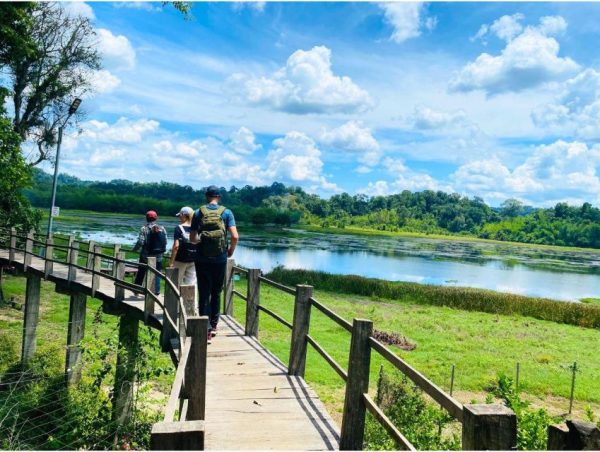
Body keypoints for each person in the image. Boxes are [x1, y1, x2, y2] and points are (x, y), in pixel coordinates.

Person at [190, 185, 238, 340]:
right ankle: (214, 325)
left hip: (202, 258)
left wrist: (200, 242)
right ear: (219, 197)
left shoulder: (198, 212)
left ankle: (205, 327)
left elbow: (192, 238)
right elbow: (235, 236)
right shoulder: (227, 212)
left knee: (204, 292)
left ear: (206, 196)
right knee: (216, 292)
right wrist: (229, 251)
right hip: (220, 258)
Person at [133, 210, 167, 295]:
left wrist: (135, 249)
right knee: (157, 273)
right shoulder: (162, 228)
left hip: (146, 254)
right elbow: (165, 241)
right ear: (156, 218)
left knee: (141, 271)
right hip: (158, 255)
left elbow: (141, 241)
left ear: (146, 218)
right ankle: (157, 291)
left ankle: (137, 289)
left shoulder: (144, 228)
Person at [169, 206, 197, 287]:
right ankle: (191, 300)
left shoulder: (178, 228)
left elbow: (176, 246)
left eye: (180, 215)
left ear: (184, 215)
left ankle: (175, 299)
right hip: (193, 259)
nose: (179, 217)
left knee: (175, 282)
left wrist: (171, 262)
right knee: (192, 284)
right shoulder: (196, 228)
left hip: (180, 259)